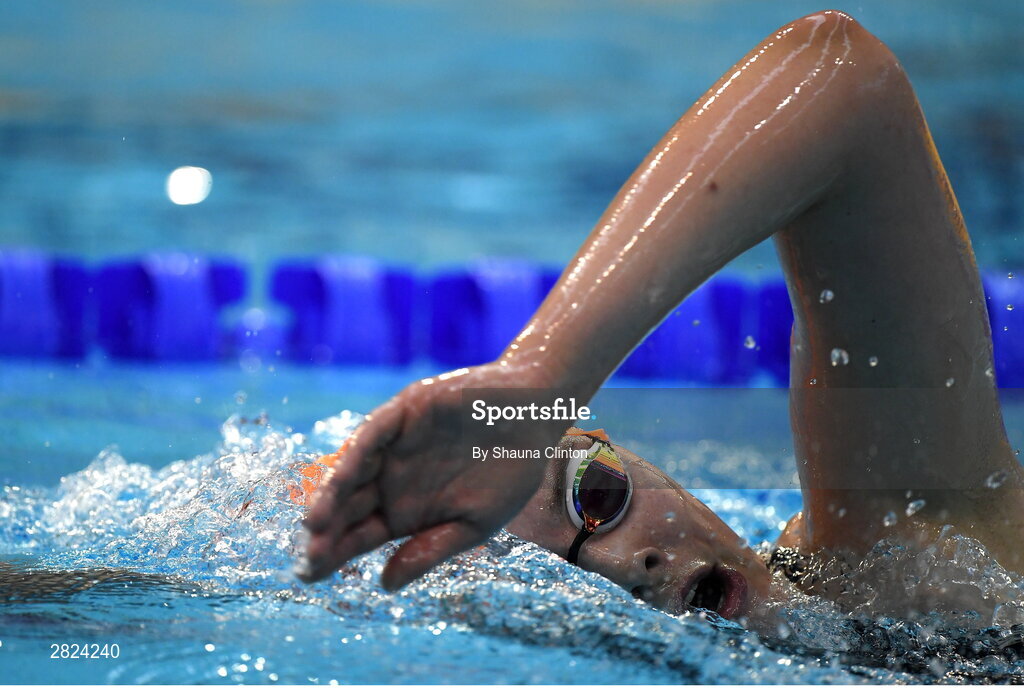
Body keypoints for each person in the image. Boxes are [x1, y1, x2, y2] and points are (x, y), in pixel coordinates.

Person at [296, 10, 1024, 622]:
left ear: (617, 453)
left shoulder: (908, 550)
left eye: (598, 496)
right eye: (555, 582)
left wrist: (542, 374)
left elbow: (845, 81)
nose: (625, 564)